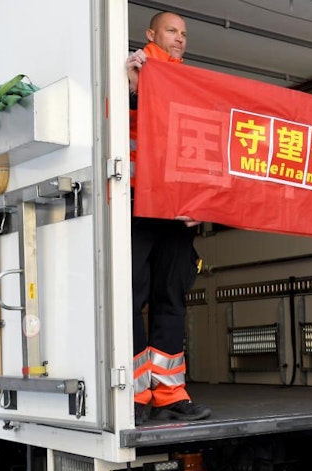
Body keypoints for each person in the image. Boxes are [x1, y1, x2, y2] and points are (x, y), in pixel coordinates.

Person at [125, 12, 211, 423]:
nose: (180, 39)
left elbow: (201, 147)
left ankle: (170, 393)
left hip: (176, 211)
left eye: (184, 34)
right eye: (172, 31)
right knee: (132, 297)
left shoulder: (188, 83)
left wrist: (201, 203)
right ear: (151, 34)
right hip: (137, 204)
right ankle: (137, 396)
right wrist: (130, 86)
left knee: (171, 298)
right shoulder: (130, 70)